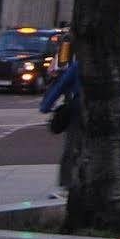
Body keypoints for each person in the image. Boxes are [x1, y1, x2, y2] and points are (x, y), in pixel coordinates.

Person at [39, 58, 84, 198]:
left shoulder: (79, 65)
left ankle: (66, 185)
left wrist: (46, 105)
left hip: (80, 108)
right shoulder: (107, 64)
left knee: (71, 149)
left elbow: (61, 85)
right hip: (100, 111)